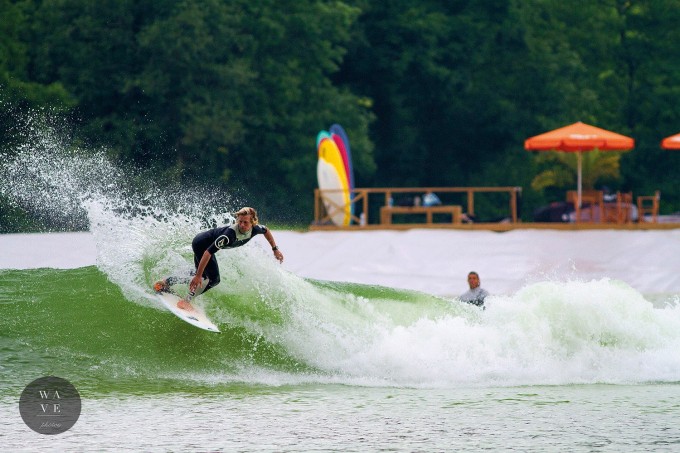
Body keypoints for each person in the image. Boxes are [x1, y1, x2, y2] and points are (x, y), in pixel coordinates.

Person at [154, 207, 284, 310]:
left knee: (201, 273)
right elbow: (207, 253)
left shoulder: (256, 229)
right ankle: (186, 301)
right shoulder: (229, 235)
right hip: (201, 244)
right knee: (212, 279)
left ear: (253, 222)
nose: (242, 225)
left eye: (245, 222)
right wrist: (199, 276)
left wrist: (275, 249)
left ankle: (166, 281)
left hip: (203, 244)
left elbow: (266, 230)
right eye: (240, 221)